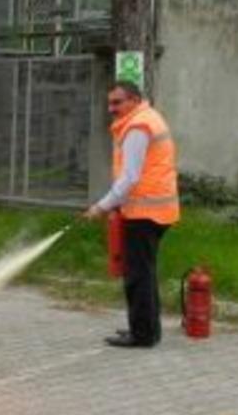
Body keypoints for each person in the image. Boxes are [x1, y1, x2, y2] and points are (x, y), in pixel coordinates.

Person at [83, 80, 180, 348]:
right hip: (155, 209)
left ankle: (142, 335)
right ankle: (147, 329)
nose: (111, 108)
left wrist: (101, 206)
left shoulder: (138, 126)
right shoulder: (147, 118)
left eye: (117, 102)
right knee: (144, 272)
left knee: (137, 275)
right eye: (109, 103)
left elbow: (129, 178)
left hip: (144, 211)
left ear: (134, 100)